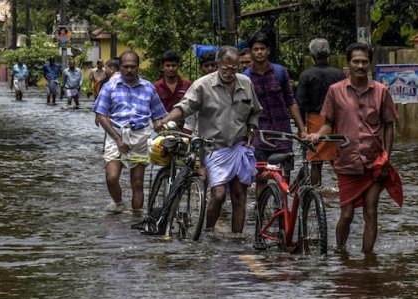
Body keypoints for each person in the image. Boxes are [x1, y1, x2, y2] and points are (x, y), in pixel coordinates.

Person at [307, 42, 402, 254]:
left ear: (370, 64)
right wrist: (318, 135)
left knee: (371, 211)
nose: (360, 65)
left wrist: (387, 156)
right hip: (347, 161)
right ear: (348, 64)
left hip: (375, 162)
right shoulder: (335, 91)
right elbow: (329, 123)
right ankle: (340, 252)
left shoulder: (381, 91)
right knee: (347, 214)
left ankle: (367, 261)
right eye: (356, 61)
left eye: (364, 61)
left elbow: (388, 125)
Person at [159, 46, 262, 234]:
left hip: (239, 146)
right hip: (212, 148)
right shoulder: (203, 85)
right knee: (219, 194)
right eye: (225, 69)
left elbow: (255, 111)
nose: (230, 73)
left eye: (234, 69)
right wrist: (165, 120)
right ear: (218, 65)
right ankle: (207, 231)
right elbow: (185, 107)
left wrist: (251, 128)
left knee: (240, 194)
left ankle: (237, 238)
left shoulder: (246, 83)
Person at [93, 50, 167, 214]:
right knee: (111, 178)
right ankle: (118, 203)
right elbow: (101, 115)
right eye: (126, 67)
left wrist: (159, 125)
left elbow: (158, 115)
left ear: (138, 67)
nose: (129, 70)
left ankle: (136, 218)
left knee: (137, 182)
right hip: (115, 135)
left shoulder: (148, 87)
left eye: (133, 67)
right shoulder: (110, 86)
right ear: (120, 67)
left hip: (140, 137)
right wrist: (117, 139)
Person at [244, 32, 307, 191]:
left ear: (268, 51)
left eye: (262, 49)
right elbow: (243, 109)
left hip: (282, 132)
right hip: (259, 133)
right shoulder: (245, 78)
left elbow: (290, 101)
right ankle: (260, 212)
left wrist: (301, 129)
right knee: (260, 176)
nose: (259, 52)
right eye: (256, 49)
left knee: (285, 175)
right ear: (251, 51)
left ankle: (284, 211)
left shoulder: (280, 72)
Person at [296, 38, 345, 185]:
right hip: (336, 121)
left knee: (316, 160)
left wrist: (302, 127)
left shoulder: (306, 75)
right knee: (337, 158)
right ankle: (345, 187)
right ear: (328, 54)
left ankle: (315, 192)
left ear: (312, 56)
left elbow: (300, 102)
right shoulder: (339, 74)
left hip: (315, 120)